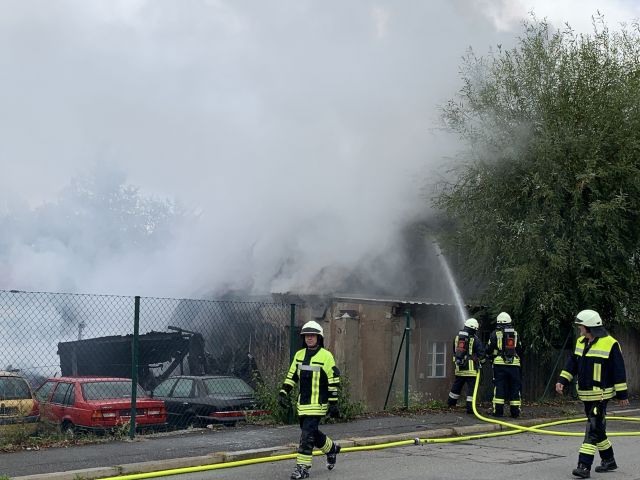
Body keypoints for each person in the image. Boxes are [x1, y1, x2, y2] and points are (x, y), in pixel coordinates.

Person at [555, 309, 629, 479]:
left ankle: (583, 466)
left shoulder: (610, 344)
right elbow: (572, 363)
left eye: (581, 326)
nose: (579, 329)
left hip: (600, 397)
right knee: (598, 429)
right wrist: (562, 380)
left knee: (592, 429)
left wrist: (622, 395)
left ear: (589, 327)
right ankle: (609, 460)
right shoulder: (581, 342)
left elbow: (619, 371)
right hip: (586, 395)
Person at [278, 320, 341, 479]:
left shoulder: (326, 356)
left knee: (306, 436)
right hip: (303, 404)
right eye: (307, 335)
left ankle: (303, 468)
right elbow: (292, 376)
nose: (309, 338)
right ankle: (331, 448)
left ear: (319, 337)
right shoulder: (299, 355)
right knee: (311, 432)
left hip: (318, 404)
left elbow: (333, 381)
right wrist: (283, 393)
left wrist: (333, 404)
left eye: (313, 335)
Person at [486, 312, 522, 418]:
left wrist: (491, 355)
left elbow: (489, 349)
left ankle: (498, 412)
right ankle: (515, 412)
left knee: (499, 387)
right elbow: (520, 348)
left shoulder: (495, 334)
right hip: (514, 365)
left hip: (499, 365)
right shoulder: (515, 334)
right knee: (515, 387)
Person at [447, 318, 486, 414]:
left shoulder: (457, 338)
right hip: (471, 370)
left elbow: (454, 351)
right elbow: (481, 354)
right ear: (473, 329)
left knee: (456, 386)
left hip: (459, 369)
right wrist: (482, 361)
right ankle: (470, 408)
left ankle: (450, 404)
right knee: (471, 389)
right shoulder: (475, 339)